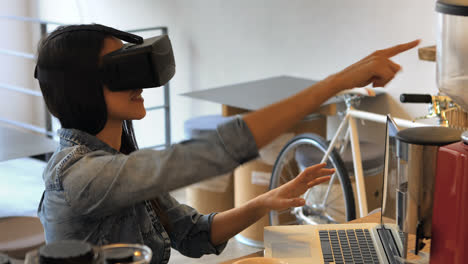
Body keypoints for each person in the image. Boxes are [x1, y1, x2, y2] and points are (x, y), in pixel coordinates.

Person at [35, 23, 419, 264]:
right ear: (82, 87)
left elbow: (192, 234)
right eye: (119, 69)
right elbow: (207, 154)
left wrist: (263, 203)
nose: (139, 81)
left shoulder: (118, 161)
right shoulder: (79, 176)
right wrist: (334, 83)